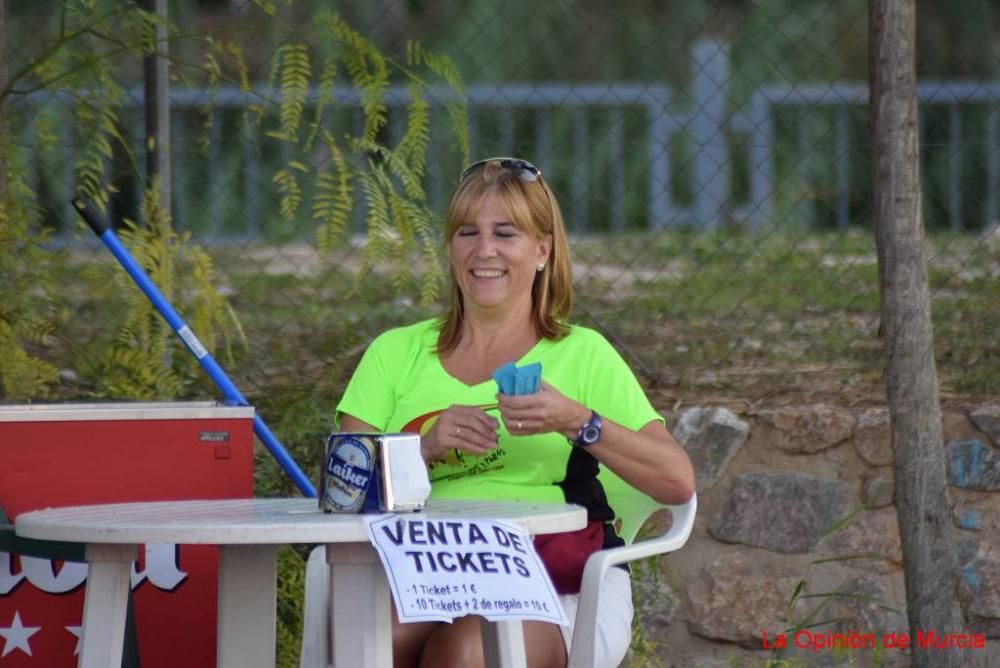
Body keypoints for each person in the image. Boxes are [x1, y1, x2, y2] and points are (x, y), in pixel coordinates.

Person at [335, 157, 695, 668]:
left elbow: (676, 481)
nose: (484, 251)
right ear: (451, 247)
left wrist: (577, 421)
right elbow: (342, 491)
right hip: (423, 570)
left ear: (542, 250)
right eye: (467, 232)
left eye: (505, 233)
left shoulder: (582, 353)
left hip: (554, 576)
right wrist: (424, 448)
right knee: (363, 638)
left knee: (469, 651)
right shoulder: (395, 353)